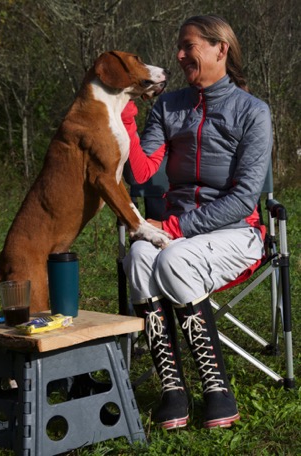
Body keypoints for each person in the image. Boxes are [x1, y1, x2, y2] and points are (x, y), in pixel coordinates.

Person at [121, 14, 273, 431]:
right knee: (137, 255)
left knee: (172, 260)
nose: (180, 54)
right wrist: (129, 120)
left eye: (189, 46)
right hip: (178, 231)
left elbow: (243, 199)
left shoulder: (252, 112)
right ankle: (173, 388)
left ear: (220, 48)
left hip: (235, 231)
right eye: (180, 46)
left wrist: (174, 230)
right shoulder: (169, 107)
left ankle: (215, 386)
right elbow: (141, 175)